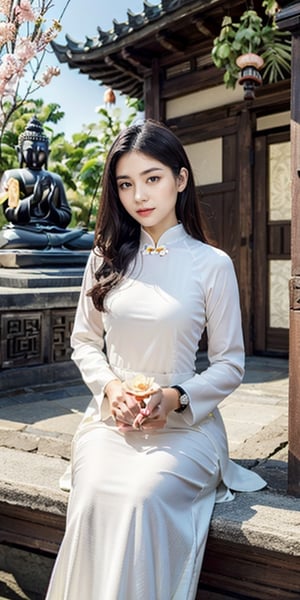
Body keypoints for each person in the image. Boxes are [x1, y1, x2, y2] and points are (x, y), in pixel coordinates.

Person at [45, 119, 266, 600]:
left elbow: (230, 364)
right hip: (111, 422)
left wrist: (176, 396)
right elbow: (84, 341)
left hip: (188, 426)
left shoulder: (213, 264)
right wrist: (111, 389)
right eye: (125, 183)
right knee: (96, 496)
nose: (138, 195)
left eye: (152, 178)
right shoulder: (105, 256)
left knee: (142, 498)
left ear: (180, 179)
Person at [0, 116, 93, 250]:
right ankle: (57, 242)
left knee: (93, 238)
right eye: (30, 151)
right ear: (19, 152)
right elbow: (11, 214)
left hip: (54, 231)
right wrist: (33, 199)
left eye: (41, 152)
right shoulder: (12, 175)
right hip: (24, 231)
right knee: (9, 237)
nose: (36, 156)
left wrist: (48, 206)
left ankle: (53, 241)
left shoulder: (55, 179)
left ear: (48, 153)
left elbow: (65, 217)